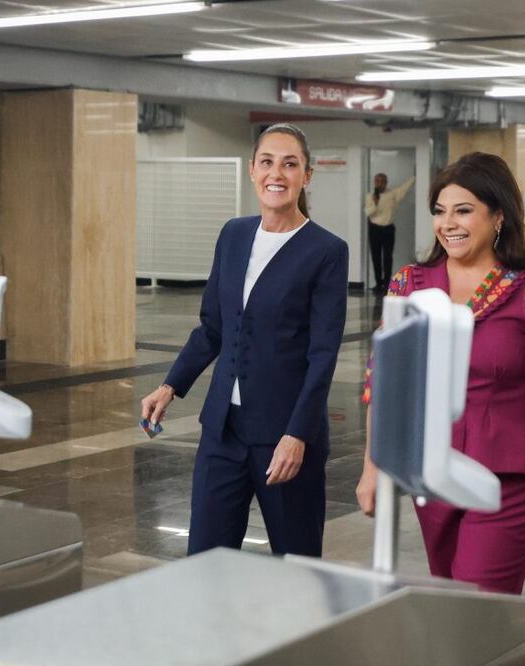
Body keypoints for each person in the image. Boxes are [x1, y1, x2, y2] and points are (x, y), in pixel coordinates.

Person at [355, 152, 525, 595]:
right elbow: (382, 385)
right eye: (440, 212)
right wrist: (372, 469)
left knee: (478, 601)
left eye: (463, 211)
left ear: (498, 216)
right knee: (455, 607)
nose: (448, 223)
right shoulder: (409, 284)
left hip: (511, 479)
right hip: (434, 475)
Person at [141, 123, 348, 557]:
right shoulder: (234, 235)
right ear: (252, 170)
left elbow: (322, 355)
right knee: (206, 560)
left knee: (297, 565)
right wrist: (170, 385)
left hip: (285, 435)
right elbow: (212, 326)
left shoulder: (326, 251)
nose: (278, 173)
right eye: (268, 162)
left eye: (290, 164)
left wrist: (298, 435)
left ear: (306, 176)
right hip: (223, 431)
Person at [366, 172, 415, 295]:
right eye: (377, 181)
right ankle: (378, 283)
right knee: (376, 257)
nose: (379, 183)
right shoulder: (370, 196)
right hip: (374, 229)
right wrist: (375, 203)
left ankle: (387, 284)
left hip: (388, 229)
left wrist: (414, 176)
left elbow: (404, 188)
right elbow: (369, 212)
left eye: (382, 181)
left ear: (386, 183)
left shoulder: (393, 194)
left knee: (387, 257)